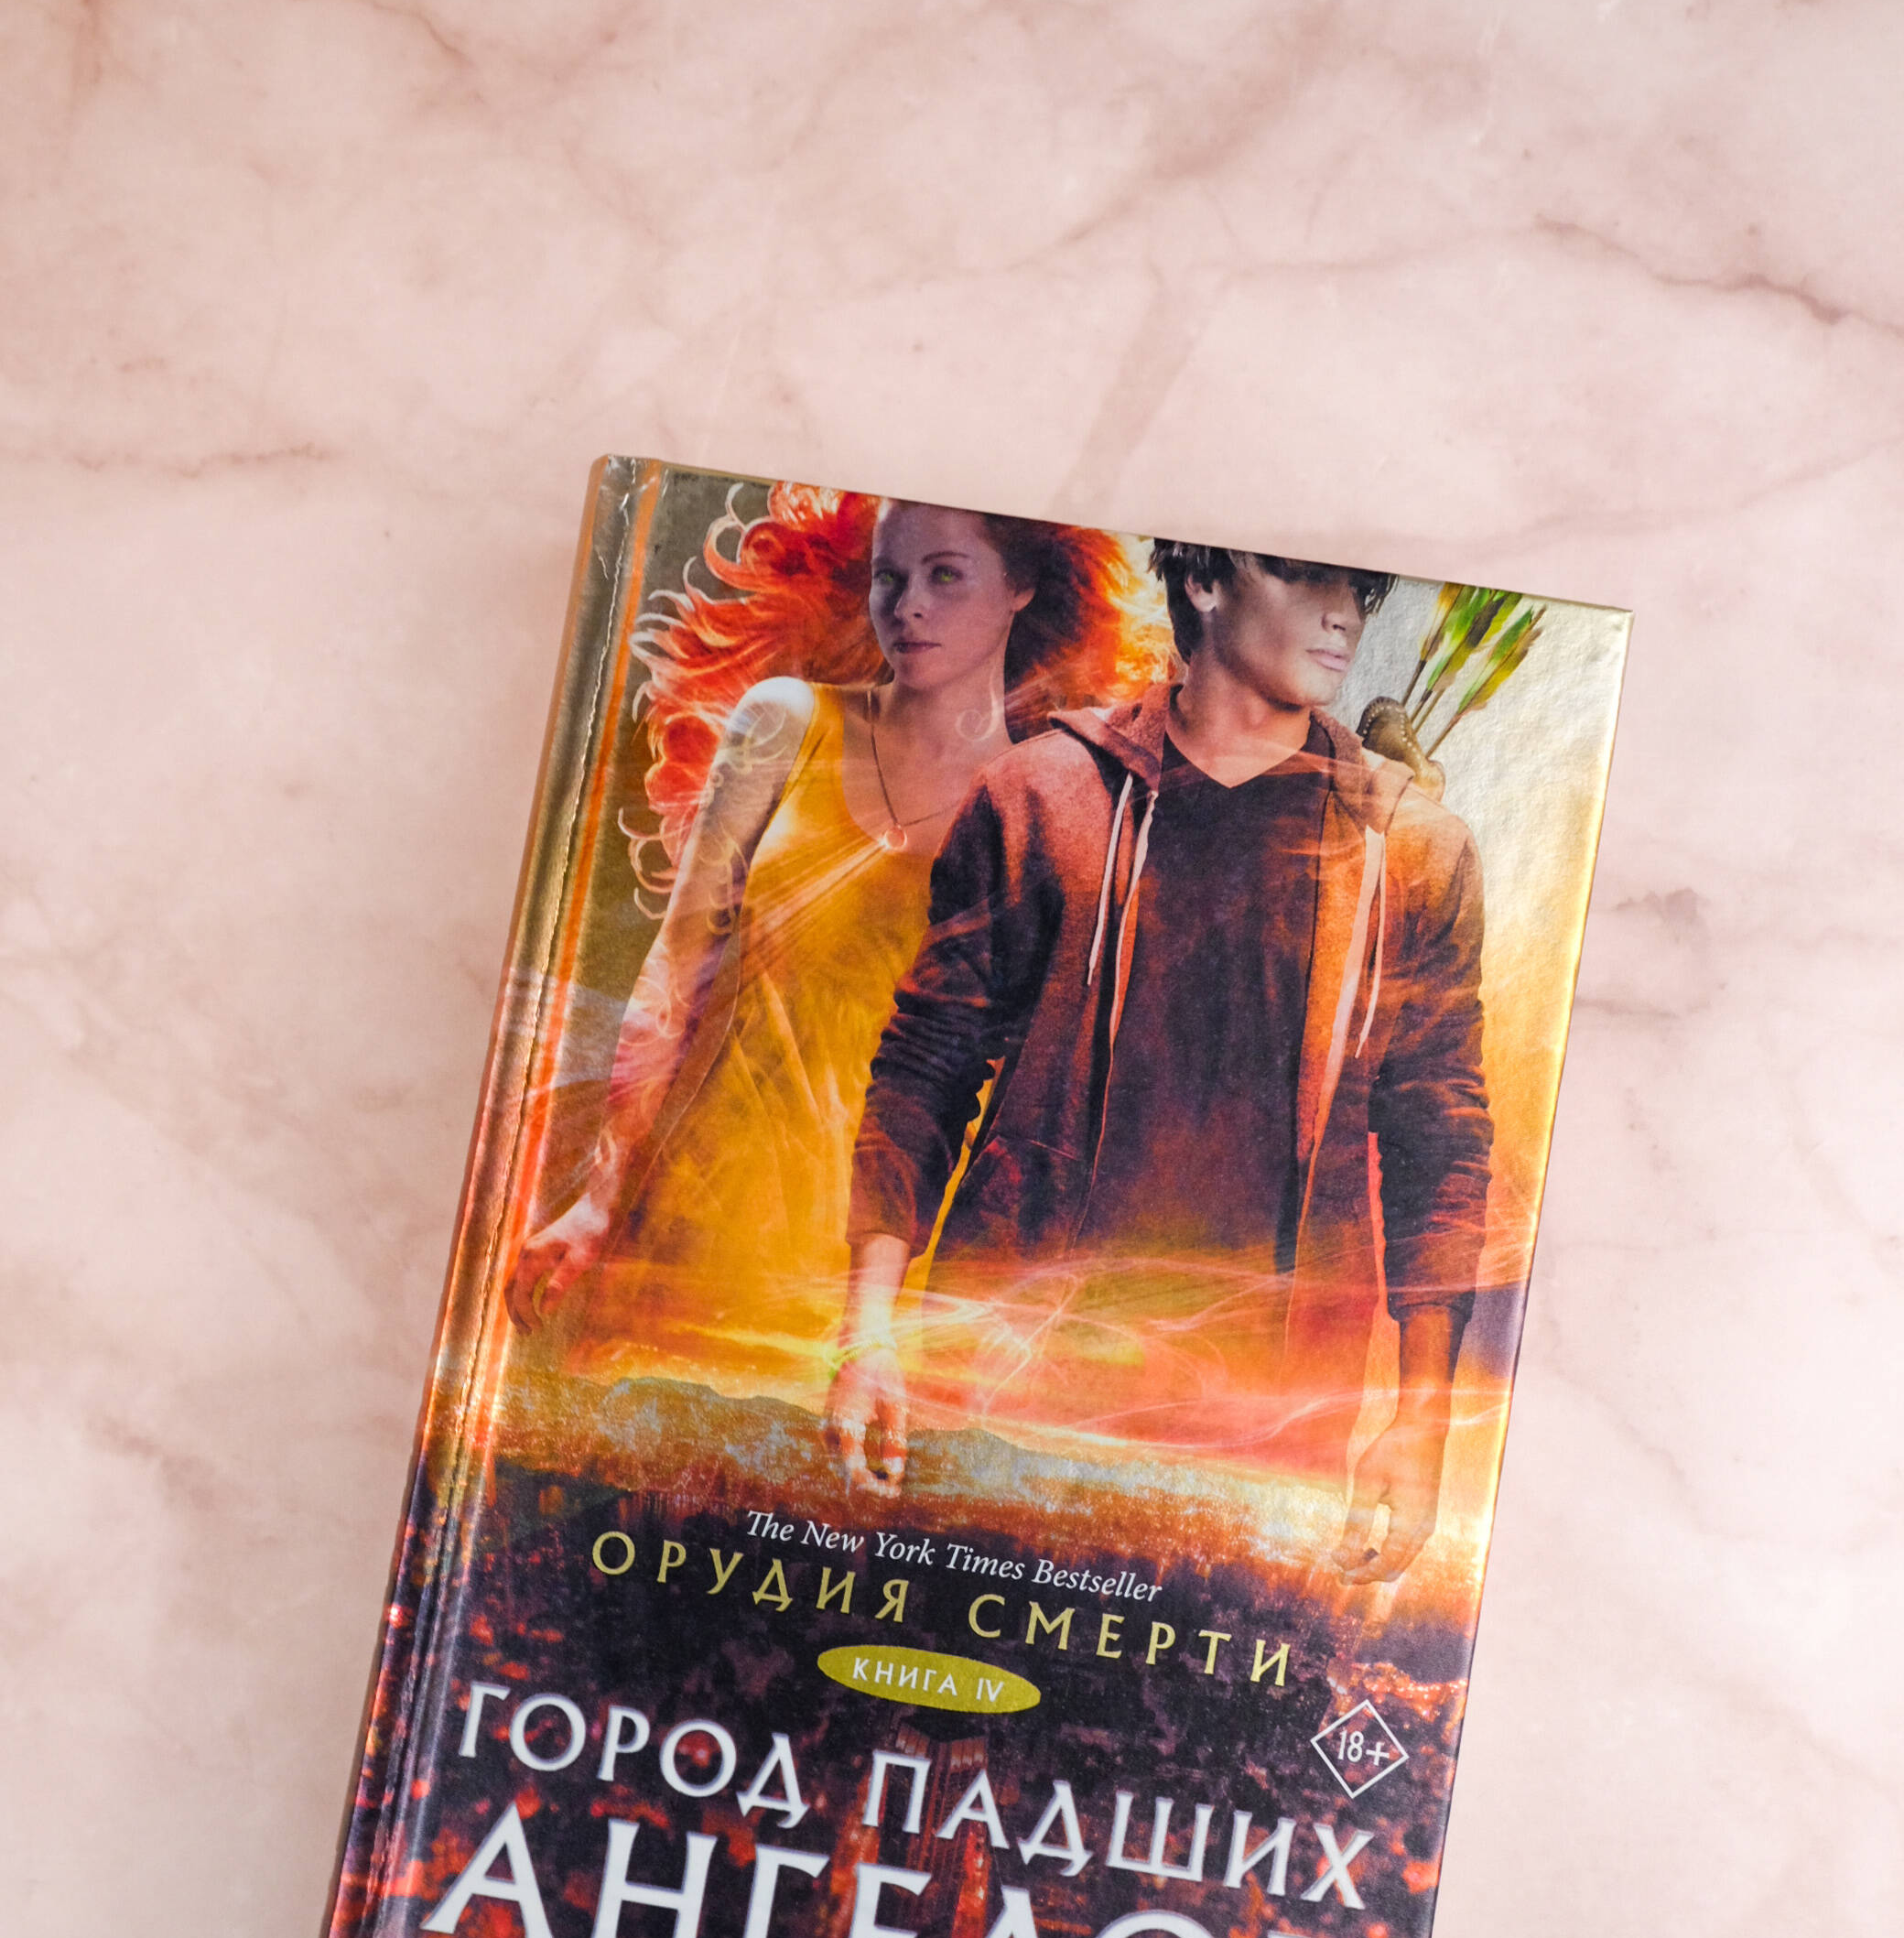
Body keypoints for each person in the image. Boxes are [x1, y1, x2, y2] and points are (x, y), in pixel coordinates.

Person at [825, 543, 1494, 1583]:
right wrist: (864, 1331)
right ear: (1204, 580)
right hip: (1010, 1384)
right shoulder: (1041, 794)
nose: (1343, 617)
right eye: (1305, 579)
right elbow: (926, 1066)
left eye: (1358, 593)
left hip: (1271, 1419)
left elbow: (1440, 1145)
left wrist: (1422, 1420)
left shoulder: (1412, 849)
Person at [505, 490, 1152, 1396]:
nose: (908, 606)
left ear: (1022, 588)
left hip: (884, 1272)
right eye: (890, 578)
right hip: (700, 1222)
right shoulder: (785, 722)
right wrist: (600, 1197)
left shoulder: (1049, 797)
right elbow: (675, 968)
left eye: (945, 576)